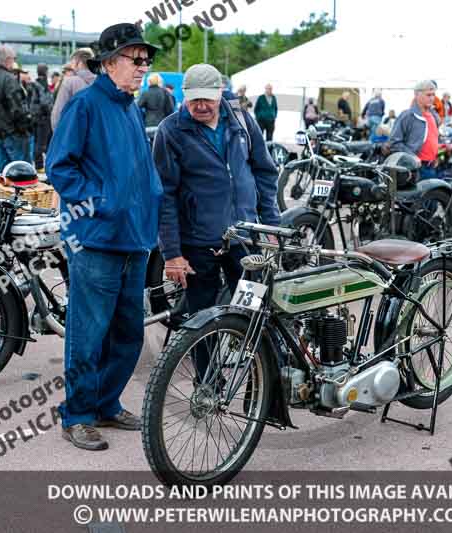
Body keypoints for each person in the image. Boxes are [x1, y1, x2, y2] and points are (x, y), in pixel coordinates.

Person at [46, 22, 162, 451]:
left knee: (129, 333)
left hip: (133, 239)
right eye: (136, 60)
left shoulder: (130, 107)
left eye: (146, 61)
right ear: (110, 62)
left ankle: (106, 404)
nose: (142, 67)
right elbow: (60, 167)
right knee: (88, 332)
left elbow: (140, 171)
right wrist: (100, 201)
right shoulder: (86, 105)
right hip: (95, 239)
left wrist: (150, 202)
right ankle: (76, 414)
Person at [153, 63, 280, 380]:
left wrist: (271, 226)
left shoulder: (240, 120)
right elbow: (164, 195)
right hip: (198, 242)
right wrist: (171, 253)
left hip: (245, 239)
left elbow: (264, 173)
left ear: (219, 95)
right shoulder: (171, 131)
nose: (200, 105)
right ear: (184, 96)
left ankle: (260, 378)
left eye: (206, 99)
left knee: (254, 308)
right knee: (200, 316)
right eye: (193, 99)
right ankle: (208, 381)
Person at [0, 45, 33, 182]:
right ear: (8, 59)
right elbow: (18, 109)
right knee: (23, 171)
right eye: (13, 58)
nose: (14, 61)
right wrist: (26, 127)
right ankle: (22, 202)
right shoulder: (9, 79)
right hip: (13, 133)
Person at [387, 80, 442, 180]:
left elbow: (434, 138)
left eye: (433, 95)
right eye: (428, 95)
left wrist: (436, 155)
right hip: (415, 169)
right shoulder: (408, 116)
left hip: (431, 167)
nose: (432, 98)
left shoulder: (434, 115)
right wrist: (412, 156)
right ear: (417, 95)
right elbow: (394, 142)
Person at [51, 48, 96, 129]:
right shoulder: (101, 81)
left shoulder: (69, 82)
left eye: (72, 63)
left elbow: (58, 115)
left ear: (77, 62)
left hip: (74, 133)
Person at [30, 64, 54, 173]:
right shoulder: (43, 84)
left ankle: (39, 165)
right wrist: (51, 109)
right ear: (45, 72)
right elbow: (45, 101)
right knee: (42, 143)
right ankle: (40, 166)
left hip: (35, 117)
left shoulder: (33, 84)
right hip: (43, 117)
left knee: (37, 142)